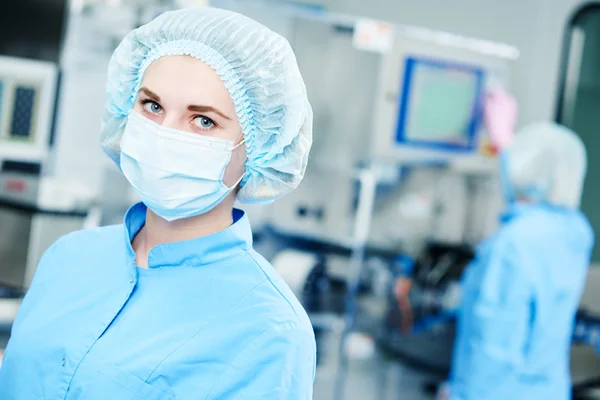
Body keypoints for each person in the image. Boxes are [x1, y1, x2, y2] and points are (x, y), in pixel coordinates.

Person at [0, 7, 315, 399]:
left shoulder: (269, 331)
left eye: (203, 121)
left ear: (259, 148)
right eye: (152, 106)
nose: (164, 134)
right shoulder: (69, 257)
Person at [445, 89, 594, 400]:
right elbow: (530, 191)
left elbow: (492, 346)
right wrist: (503, 142)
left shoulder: (511, 245)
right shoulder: (576, 232)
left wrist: (458, 395)